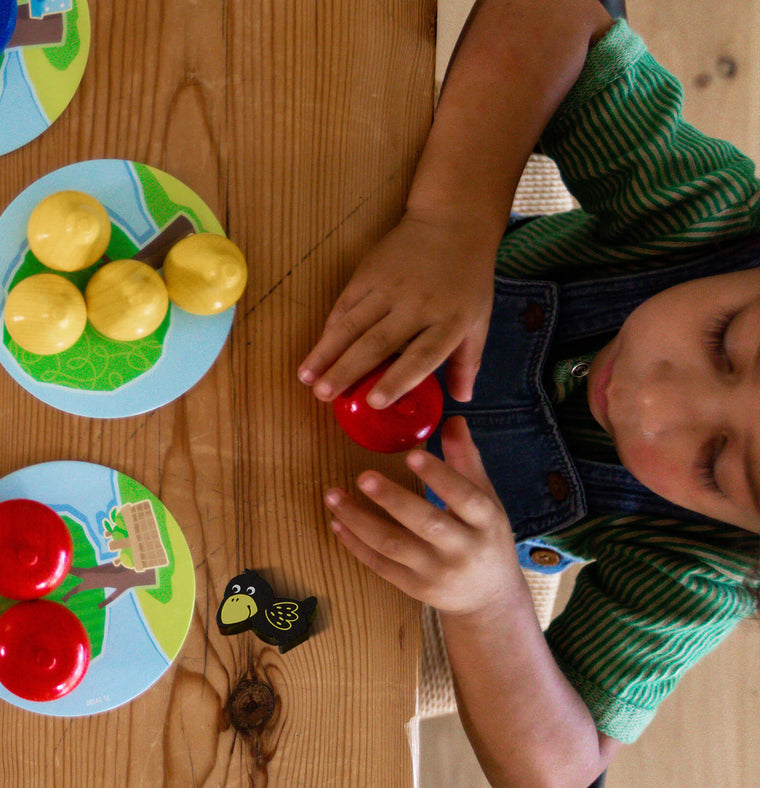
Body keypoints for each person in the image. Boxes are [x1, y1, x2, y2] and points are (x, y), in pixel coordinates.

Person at [295, 0, 760, 785]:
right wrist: (450, 221)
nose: (649, 407)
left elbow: (562, 771)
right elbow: (555, 10)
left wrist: (488, 607)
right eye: (724, 341)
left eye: (717, 465)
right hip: (339, 251)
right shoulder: (708, 215)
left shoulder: (701, 566)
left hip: (313, 510)